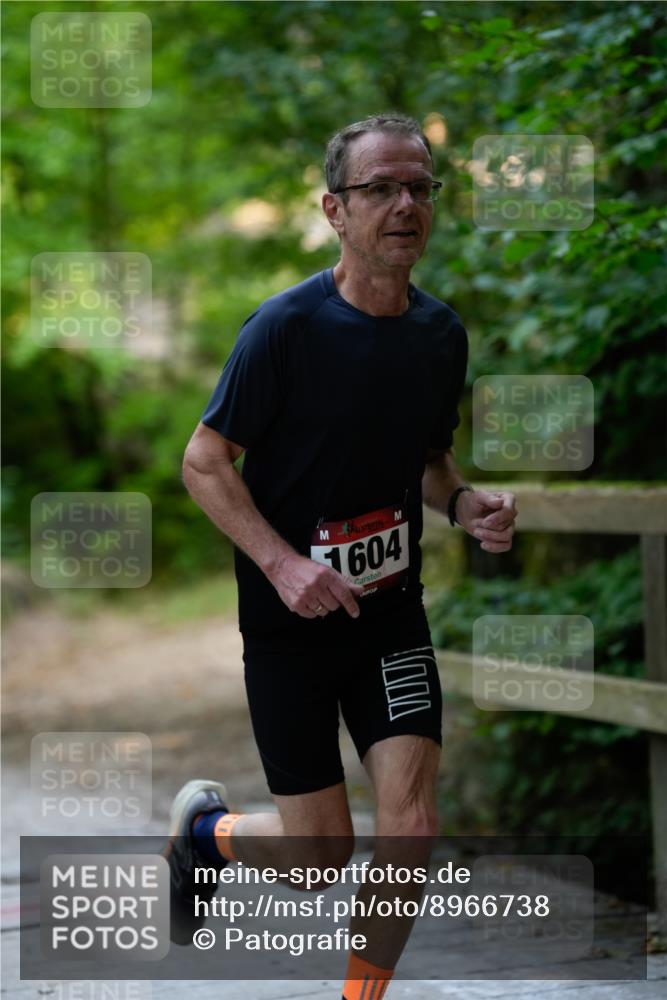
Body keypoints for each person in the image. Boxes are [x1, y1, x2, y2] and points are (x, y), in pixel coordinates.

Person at [167, 113, 517, 999]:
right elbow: (204, 460)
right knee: (320, 856)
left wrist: (466, 505)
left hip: (390, 612)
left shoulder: (440, 334)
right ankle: (205, 834)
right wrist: (285, 566)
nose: (406, 206)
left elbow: (430, 464)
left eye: (420, 188)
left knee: (411, 822)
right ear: (334, 208)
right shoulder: (284, 328)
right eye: (381, 189)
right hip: (290, 625)